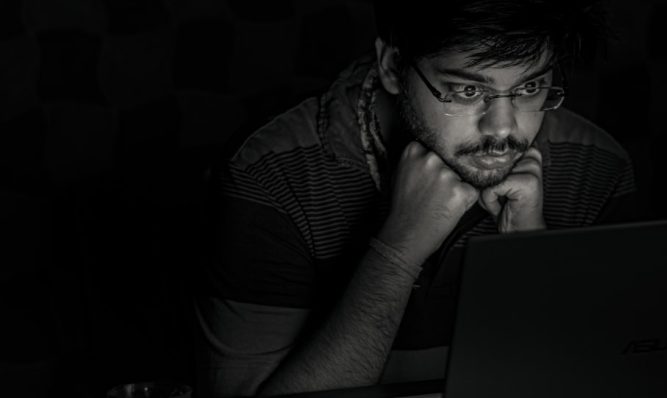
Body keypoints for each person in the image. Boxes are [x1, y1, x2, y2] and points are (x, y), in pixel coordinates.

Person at [194, 1, 636, 396]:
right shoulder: (272, 175)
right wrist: (397, 252)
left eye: (528, 89)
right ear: (392, 67)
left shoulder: (598, 169)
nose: (503, 130)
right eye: (467, 91)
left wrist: (529, 259)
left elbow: (623, 378)